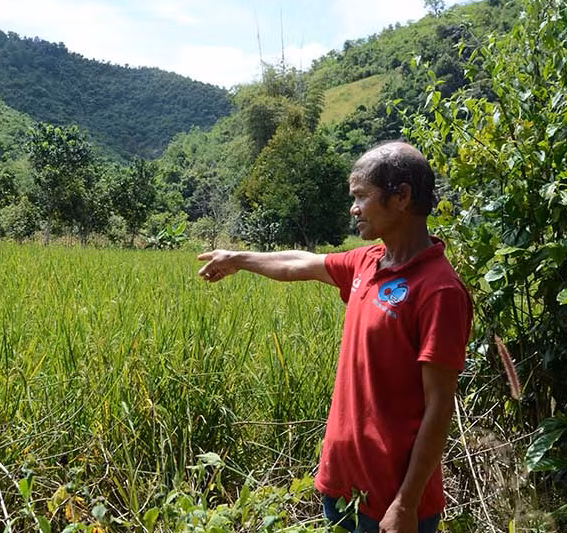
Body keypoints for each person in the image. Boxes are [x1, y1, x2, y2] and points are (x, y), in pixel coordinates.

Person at [197, 141, 472, 533]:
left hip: (393, 503)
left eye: (361, 197)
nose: (353, 208)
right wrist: (238, 259)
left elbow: (439, 406)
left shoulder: (439, 291)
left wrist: (405, 504)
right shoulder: (367, 262)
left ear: (402, 197)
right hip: (343, 486)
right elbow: (298, 263)